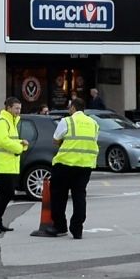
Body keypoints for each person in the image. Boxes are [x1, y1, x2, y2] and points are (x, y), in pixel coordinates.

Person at [37, 99, 98, 238]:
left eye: (70, 108)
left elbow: (56, 139)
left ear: (73, 108)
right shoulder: (93, 123)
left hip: (65, 164)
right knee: (79, 196)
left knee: (59, 196)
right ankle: (77, 229)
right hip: (85, 165)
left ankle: (60, 226)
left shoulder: (67, 121)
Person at [0, 96, 27, 234]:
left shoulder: (12, 121)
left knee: (4, 193)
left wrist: (20, 142)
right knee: (7, 193)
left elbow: (9, 140)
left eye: (20, 108)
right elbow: (3, 141)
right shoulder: (1, 121)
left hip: (8, 163)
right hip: (1, 163)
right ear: (8, 108)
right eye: (16, 108)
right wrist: (19, 148)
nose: (18, 111)